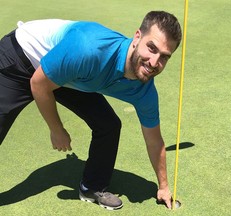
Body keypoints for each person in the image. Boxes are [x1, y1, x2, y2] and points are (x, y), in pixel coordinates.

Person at [0, 11, 182, 210]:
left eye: (164, 57)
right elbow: (39, 84)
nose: (154, 63)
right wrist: (57, 129)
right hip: (21, 57)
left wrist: (164, 186)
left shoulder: (143, 90)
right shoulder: (90, 49)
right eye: (152, 48)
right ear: (137, 37)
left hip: (71, 74)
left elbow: (154, 141)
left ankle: (92, 188)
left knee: (108, 125)